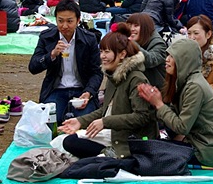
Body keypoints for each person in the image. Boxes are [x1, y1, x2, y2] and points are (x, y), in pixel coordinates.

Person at [60, 23, 158, 159]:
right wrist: (80, 121)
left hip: (130, 140)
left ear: (122, 54)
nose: (102, 56)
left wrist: (105, 122)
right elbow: (106, 109)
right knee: (66, 140)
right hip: (112, 133)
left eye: (107, 52)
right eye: (101, 51)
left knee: (71, 143)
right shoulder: (113, 75)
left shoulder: (136, 79)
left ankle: (110, 155)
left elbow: (142, 117)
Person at [138, 38, 213, 167]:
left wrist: (158, 104)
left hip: (212, 149)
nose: (167, 59)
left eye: (172, 56)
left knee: (153, 153)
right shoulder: (186, 80)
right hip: (210, 141)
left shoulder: (194, 86)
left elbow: (182, 127)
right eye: (167, 55)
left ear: (184, 60)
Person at [29, 0, 102, 124]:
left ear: (78, 21)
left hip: (81, 89)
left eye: (70, 21)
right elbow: (33, 67)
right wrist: (52, 54)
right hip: (56, 89)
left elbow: (97, 72)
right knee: (50, 122)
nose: (64, 26)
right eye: (60, 21)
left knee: (83, 122)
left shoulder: (89, 39)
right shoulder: (47, 37)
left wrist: (89, 92)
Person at [126, 14, 167, 90]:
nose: (132, 29)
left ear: (145, 28)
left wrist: (133, 45)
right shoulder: (132, 41)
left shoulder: (158, 43)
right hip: (136, 86)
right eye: (129, 25)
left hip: (155, 90)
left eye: (136, 26)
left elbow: (151, 60)